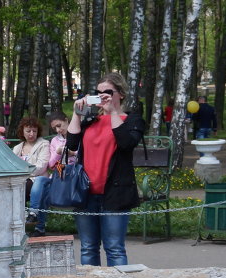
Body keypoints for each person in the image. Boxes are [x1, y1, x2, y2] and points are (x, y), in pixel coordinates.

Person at [65, 71, 145, 266]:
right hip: (86, 194)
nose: (102, 96)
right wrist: (77, 113)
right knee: (88, 247)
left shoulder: (131, 120)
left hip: (115, 193)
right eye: (98, 92)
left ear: (121, 94)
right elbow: (72, 145)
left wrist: (112, 112)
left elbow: (126, 142)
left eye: (108, 91)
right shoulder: (91, 121)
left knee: (114, 248)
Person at [12, 117, 52, 236]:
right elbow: (12, 165)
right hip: (21, 180)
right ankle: (18, 226)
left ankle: (34, 221)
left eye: (34, 131)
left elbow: (41, 166)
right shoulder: (18, 148)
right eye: (28, 131)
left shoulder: (43, 144)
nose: (31, 134)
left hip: (37, 179)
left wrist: (23, 171)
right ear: (22, 131)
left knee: (23, 189)